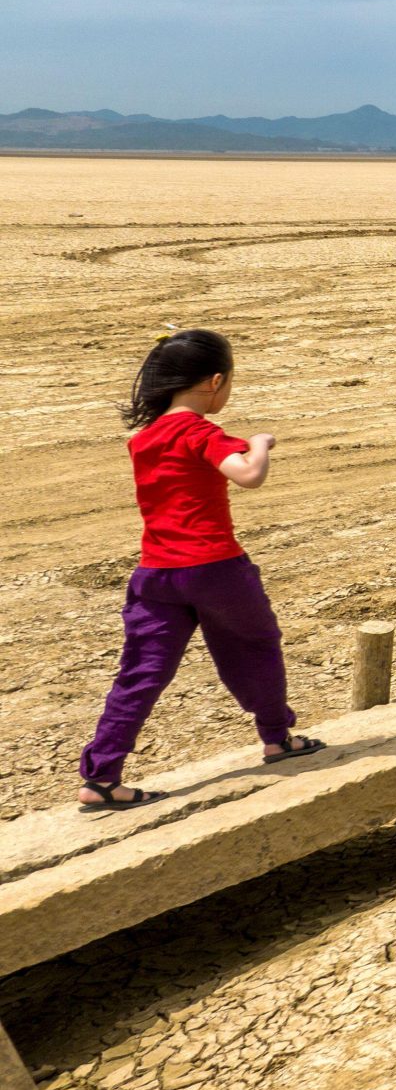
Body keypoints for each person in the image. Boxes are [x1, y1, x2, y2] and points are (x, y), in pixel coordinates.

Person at [76, 329, 322, 810]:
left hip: (154, 574)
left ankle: (102, 776)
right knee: (254, 646)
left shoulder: (144, 438)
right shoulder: (200, 432)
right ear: (214, 382)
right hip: (215, 567)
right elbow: (248, 474)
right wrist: (260, 443)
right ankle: (277, 738)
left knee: (141, 673)